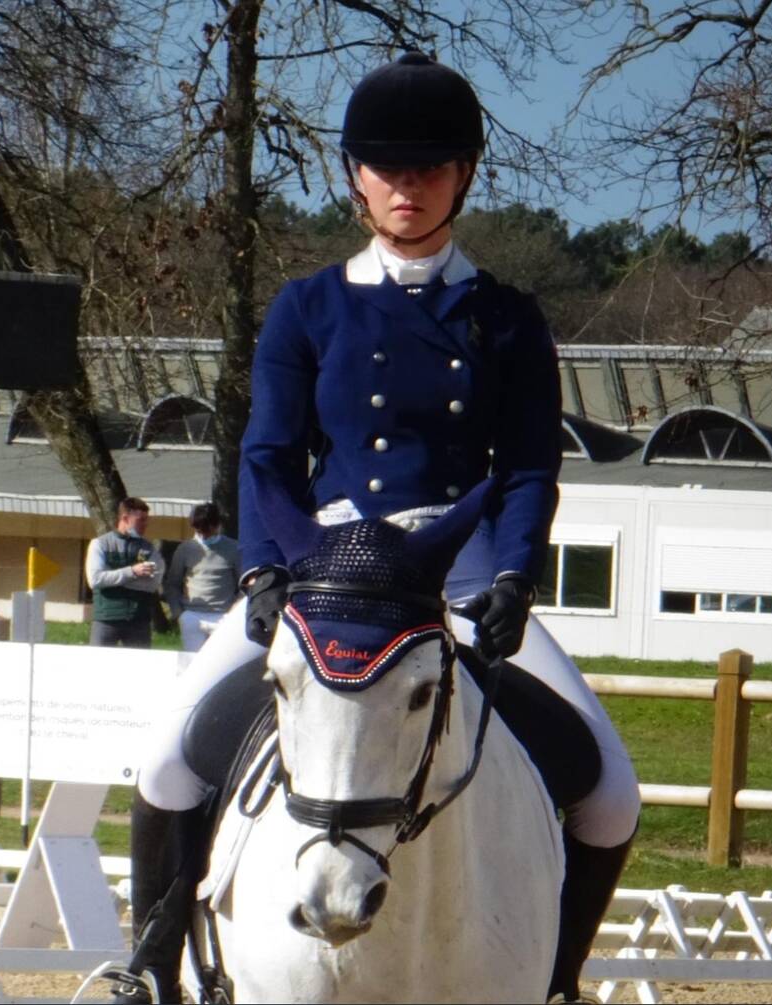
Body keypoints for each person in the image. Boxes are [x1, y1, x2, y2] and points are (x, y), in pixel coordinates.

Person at [116, 53, 640, 1005]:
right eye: (390, 168)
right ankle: (150, 967)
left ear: (464, 176)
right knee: (164, 760)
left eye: (431, 168)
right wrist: (266, 570)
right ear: (356, 176)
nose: (409, 186)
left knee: (610, 795)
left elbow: (527, 467)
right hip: (329, 569)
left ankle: (556, 980)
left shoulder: (508, 319)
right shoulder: (309, 305)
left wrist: (517, 573)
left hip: (459, 564)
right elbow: (268, 456)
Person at [85, 497, 165, 649]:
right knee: (98, 666)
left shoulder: (150, 548)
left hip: (138, 619)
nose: (145, 524)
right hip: (106, 618)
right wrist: (133, 572)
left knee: (138, 669)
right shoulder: (100, 544)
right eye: (141, 520)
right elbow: (95, 580)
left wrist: (112, 578)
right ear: (125, 518)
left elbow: (153, 584)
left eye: (147, 520)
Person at [164, 503, 241, 652]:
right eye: (198, 530)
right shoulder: (185, 549)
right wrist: (178, 613)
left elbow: (244, 585)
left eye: (207, 530)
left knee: (220, 661)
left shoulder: (234, 548)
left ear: (217, 525)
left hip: (223, 615)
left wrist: (233, 611)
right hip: (192, 615)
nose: (203, 535)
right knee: (192, 662)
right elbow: (172, 583)